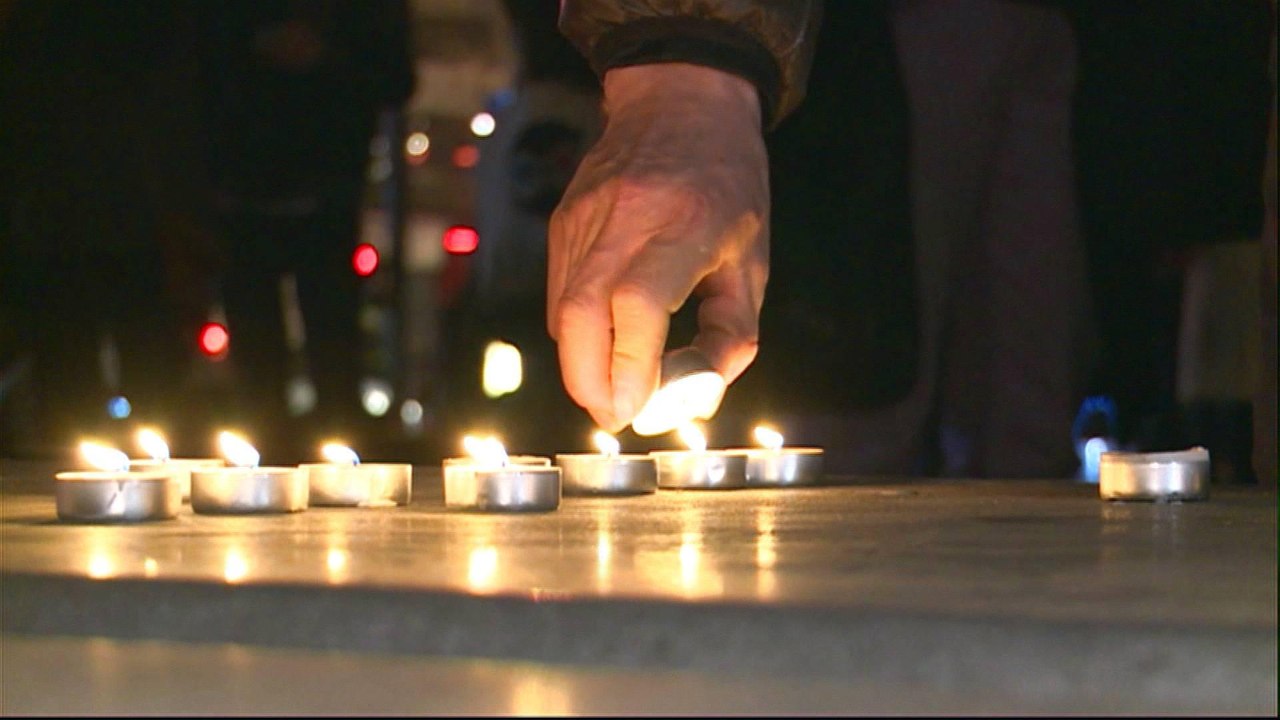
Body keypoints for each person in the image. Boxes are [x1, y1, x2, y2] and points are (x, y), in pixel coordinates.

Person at [547, 0, 1274, 478]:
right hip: (883, 38)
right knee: (868, 376)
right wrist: (689, 58)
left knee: (1033, 372)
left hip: (1087, 33)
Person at [193, 0, 415, 459]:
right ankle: (267, 460)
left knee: (332, 344)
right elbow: (195, 64)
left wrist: (326, 59)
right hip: (245, 187)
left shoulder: (360, 20)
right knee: (258, 356)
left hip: (325, 188)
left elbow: (396, 76)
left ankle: (339, 455)